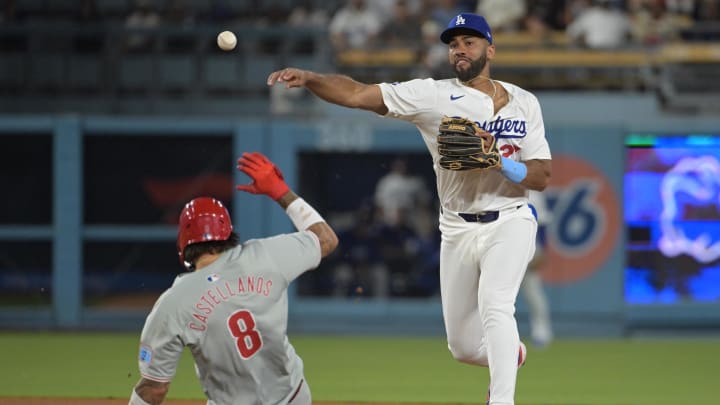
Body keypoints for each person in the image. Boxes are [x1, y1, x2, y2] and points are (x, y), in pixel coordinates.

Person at [267, 12, 552, 405]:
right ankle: (511, 353)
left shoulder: (525, 102)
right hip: (457, 227)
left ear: (490, 48)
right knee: (463, 348)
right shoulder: (432, 95)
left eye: (468, 42)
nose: (459, 50)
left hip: (510, 218)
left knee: (496, 305)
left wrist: (501, 162)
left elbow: (540, 176)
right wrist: (313, 78)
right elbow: (356, 93)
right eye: (453, 44)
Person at [128, 152, 339, 405]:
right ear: (228, 233)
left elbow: (154, 389)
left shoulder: (174, 303)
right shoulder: (267, 256)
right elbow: (326, 239)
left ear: (183, 244)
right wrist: (280, 192)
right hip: (294, 397)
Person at [522, 190, 554, 348]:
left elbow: (542, 226)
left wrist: (541, 252)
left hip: (529, 249)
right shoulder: (497, 186)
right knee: (495, 295)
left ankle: (541, 331)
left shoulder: (534, 194)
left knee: (533, 294)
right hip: (503, 248)